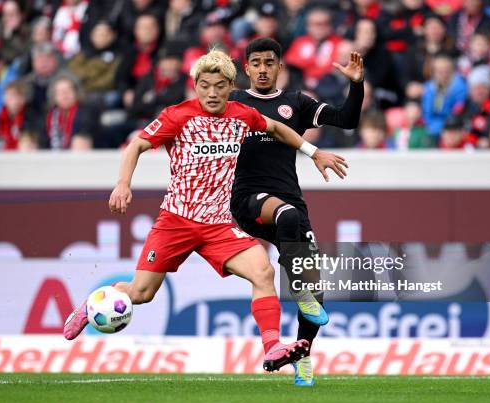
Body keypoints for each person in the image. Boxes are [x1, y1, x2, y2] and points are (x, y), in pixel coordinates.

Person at [64, 49, 349, 373]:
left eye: (219, 85)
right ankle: (91, 305)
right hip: (176, 221)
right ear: (195, 85)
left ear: (230, 86)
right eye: (204, 85)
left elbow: (278, 129)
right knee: (140, 293)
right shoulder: (177, 115)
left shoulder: (242, 115)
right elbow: (137, 145)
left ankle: (272, 348)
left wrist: (312, 153)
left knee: (263, 272)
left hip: (217, 225)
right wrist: (122, 184)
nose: (211, 93)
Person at [228, 38, 363, 386]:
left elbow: (347, 120)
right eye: (255, 63)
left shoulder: (296, 103)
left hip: (289, 198)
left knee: (317, 294)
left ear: (279, 67)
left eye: (269, 63)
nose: (262, 69)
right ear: (246, 68)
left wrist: (356, 84)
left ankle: (302, 356)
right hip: (247, 199)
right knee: (287, 217)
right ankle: (298, 290)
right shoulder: (233, 103)